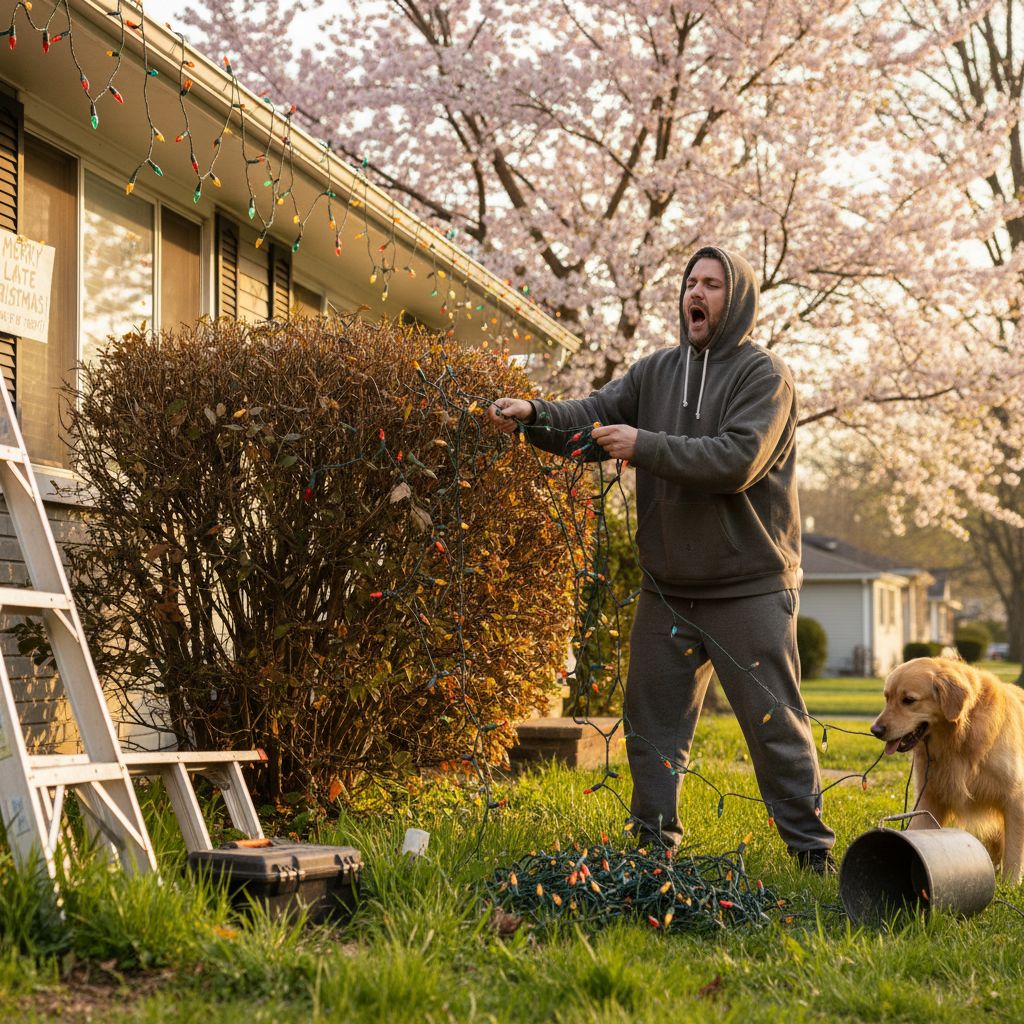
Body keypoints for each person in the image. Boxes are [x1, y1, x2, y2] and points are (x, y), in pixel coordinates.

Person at [488, 245, 836, 872]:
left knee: (773, 724)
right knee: (650, 726)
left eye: (712, 284)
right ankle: (653, 851)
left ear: (738, 299)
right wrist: (534, 415)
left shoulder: (765, 377)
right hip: (668, 589)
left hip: (749, 586)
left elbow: (736, 460)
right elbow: (593, 415)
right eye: (690, 282)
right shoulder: (655, 372)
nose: (695, 293)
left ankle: (811, 852)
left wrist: (643, 445)